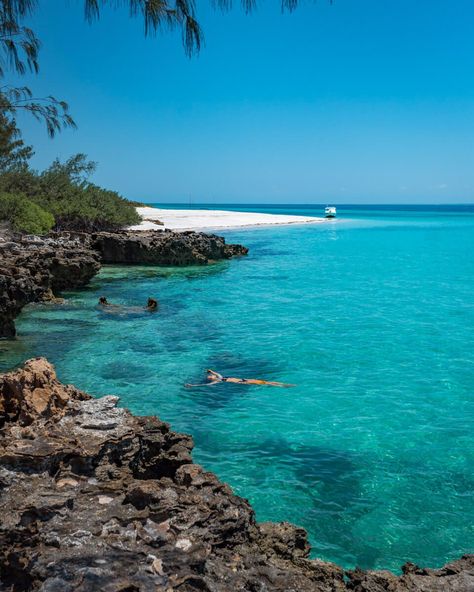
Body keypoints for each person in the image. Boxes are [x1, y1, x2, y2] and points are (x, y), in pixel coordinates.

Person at [185, 369, 294, 388]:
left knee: (265, 382)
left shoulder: (220, 377)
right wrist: (193, 385)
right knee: (264, 383)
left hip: (244, 379)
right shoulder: (217, 381)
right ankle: (283, 385)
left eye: (210, 376)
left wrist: (210, 371)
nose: (210, 377)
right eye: (210, 377)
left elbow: (215, 372)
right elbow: (204, 385)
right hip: (243, 382)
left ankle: (283, 385)